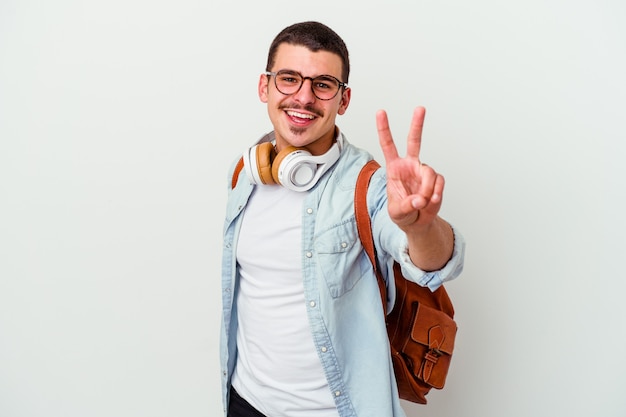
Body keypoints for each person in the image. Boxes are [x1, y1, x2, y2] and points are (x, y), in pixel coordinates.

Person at [220, 21, 465, 417]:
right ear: (264, 87)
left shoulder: (367, 185)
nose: (303, 97)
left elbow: (434, 265)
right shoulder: (245, 173)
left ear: (343, 99)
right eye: (289, 79)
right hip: (246, 400)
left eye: (322, 84)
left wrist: (420, 227)